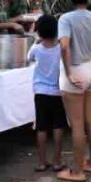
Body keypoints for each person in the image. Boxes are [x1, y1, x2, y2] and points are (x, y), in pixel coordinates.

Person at [57, 0, 91, 182]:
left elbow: (64, 46)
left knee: (76, 125)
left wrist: (68, 72)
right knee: (90, 120)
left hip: (76, 71)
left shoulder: (65, 19)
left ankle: (77, 171)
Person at [28, 15, 66, 173]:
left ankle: (42, 162)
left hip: (40, 92)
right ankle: (57, 161)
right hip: (57, 91)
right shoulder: (60, 48)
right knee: (58, 125)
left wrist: (36, 41)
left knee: (41, 127)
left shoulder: (36, 48)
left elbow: (28, 58)